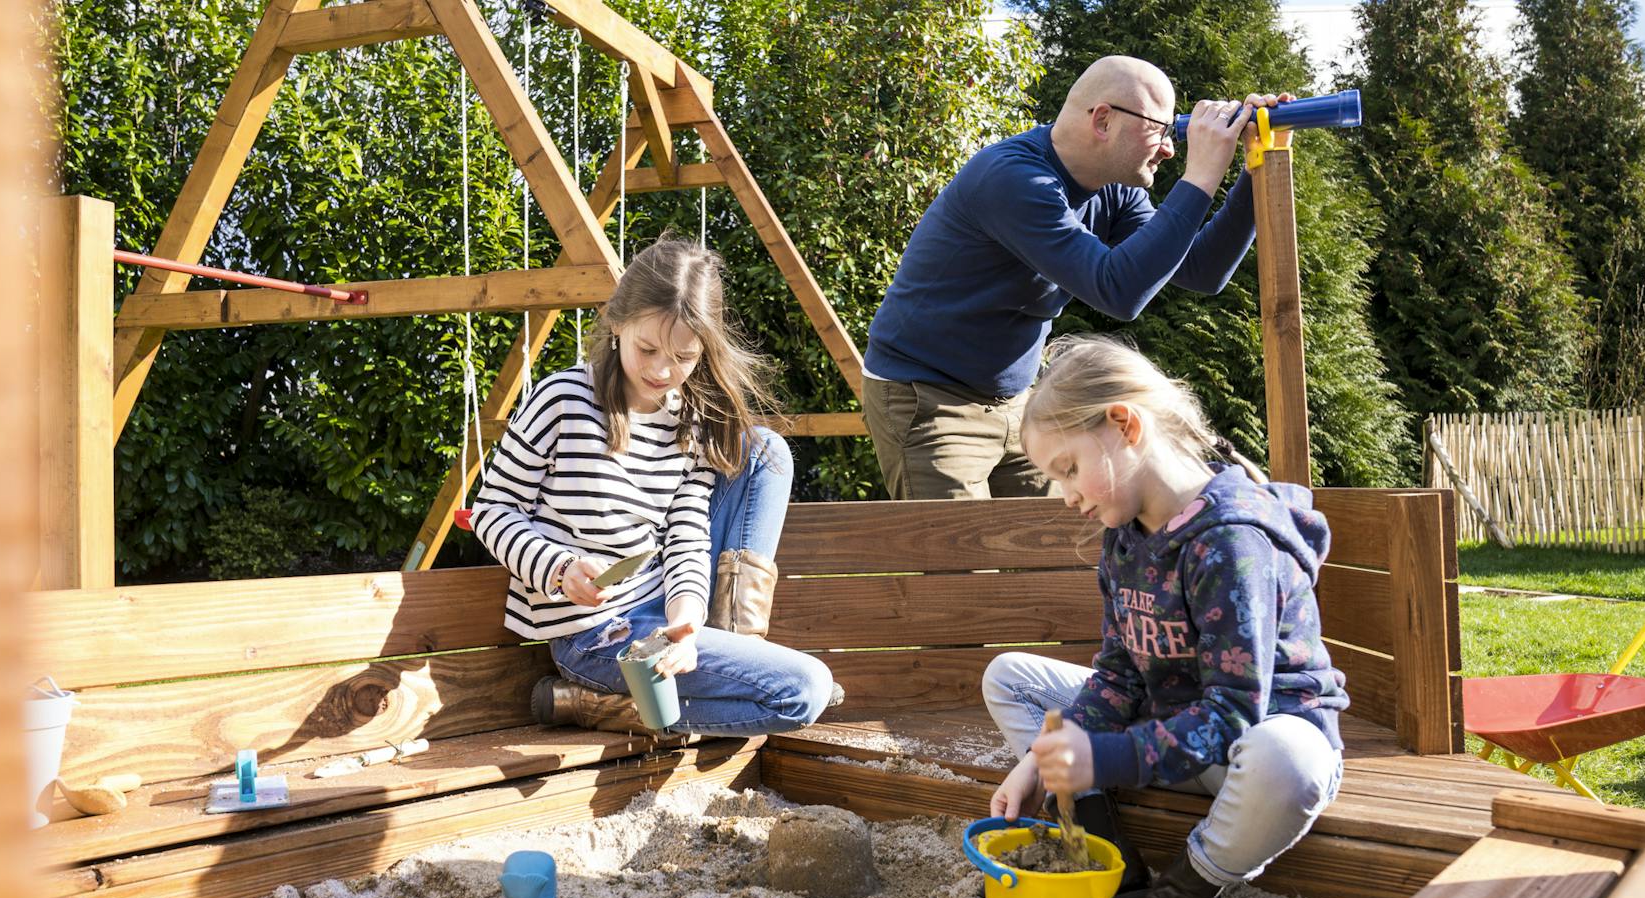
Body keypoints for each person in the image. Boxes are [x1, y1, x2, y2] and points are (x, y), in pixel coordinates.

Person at [983, 335, 1346, 898]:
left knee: (1288, 762)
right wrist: (1042, 758)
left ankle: (1184, 896)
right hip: (1171, 729)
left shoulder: (1228, 541)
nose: (1064, 494)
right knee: (1009, 678)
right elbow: (1119, 677)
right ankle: (1105, 864)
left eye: (1067, 467)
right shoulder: (1125, 538)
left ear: (1124, 424)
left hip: (1258, 745)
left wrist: (1103, 758)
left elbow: (1235, 715)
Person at [862, 55, 1292, 500]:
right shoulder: (1013, 179)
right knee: (962, 563)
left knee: (1054, 553)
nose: (1169, 149)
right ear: (1103, 120)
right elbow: (1117, 291)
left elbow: (1202, 270)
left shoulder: (1115, 189)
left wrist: (1254, 167)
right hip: (928, 398)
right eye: (1162, 131)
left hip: (1018, 400)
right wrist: (1201, 174)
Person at [470, 237, 836, 736]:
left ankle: (704, 657)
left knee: (766, 450)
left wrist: (685, 624)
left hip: (661, 609)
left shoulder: (688, 420)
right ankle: (617, 700)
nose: (662, 371)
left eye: (684, 358)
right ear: (618, 323)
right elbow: (492, 509)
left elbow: (686, 536)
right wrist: (557, 567)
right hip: (597, 636)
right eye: (647, 349)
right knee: (803, 690)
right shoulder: (560, 399)